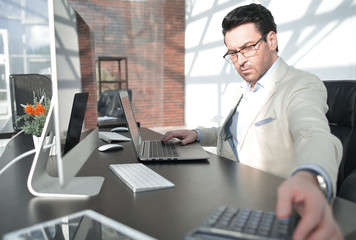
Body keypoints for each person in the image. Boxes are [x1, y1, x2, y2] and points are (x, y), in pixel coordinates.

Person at [162, 3, 343, 240]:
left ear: (271, 40)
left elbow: (313, 133)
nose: (240, 60)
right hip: (228, 192)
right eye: (233, 53)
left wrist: (308, 176)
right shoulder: (248, 88)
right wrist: (197, 133)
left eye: (247, 48)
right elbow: (237, 134)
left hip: (267, 202)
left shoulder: (301, 84)